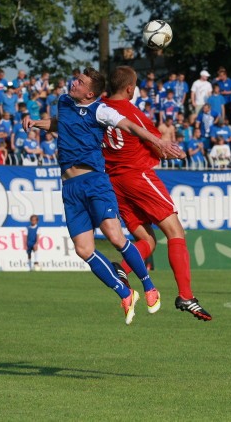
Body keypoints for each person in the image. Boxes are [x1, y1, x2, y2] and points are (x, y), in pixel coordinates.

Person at [23, 67, 183, 325]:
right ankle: (125, 293)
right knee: (83, 249)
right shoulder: (64, 102)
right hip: (70, 188)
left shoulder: (101, 110)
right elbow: (61, 125)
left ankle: (149, 285)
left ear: (90, 93)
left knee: (115, 236)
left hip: (95, 182)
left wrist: (159, 142)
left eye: (79, 82)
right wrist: (37, 123)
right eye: (75, 79)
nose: (73, 83)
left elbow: (130, 126)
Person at [101, 66, 212, 321]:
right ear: (130, 89)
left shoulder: (100, 109)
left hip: (115, 183)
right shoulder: (132, 113)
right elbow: (156, 143)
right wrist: (167, 150)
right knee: (175, 232)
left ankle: (121, 269)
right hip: (138, 177)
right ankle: (186, 295)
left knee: (147, 241)